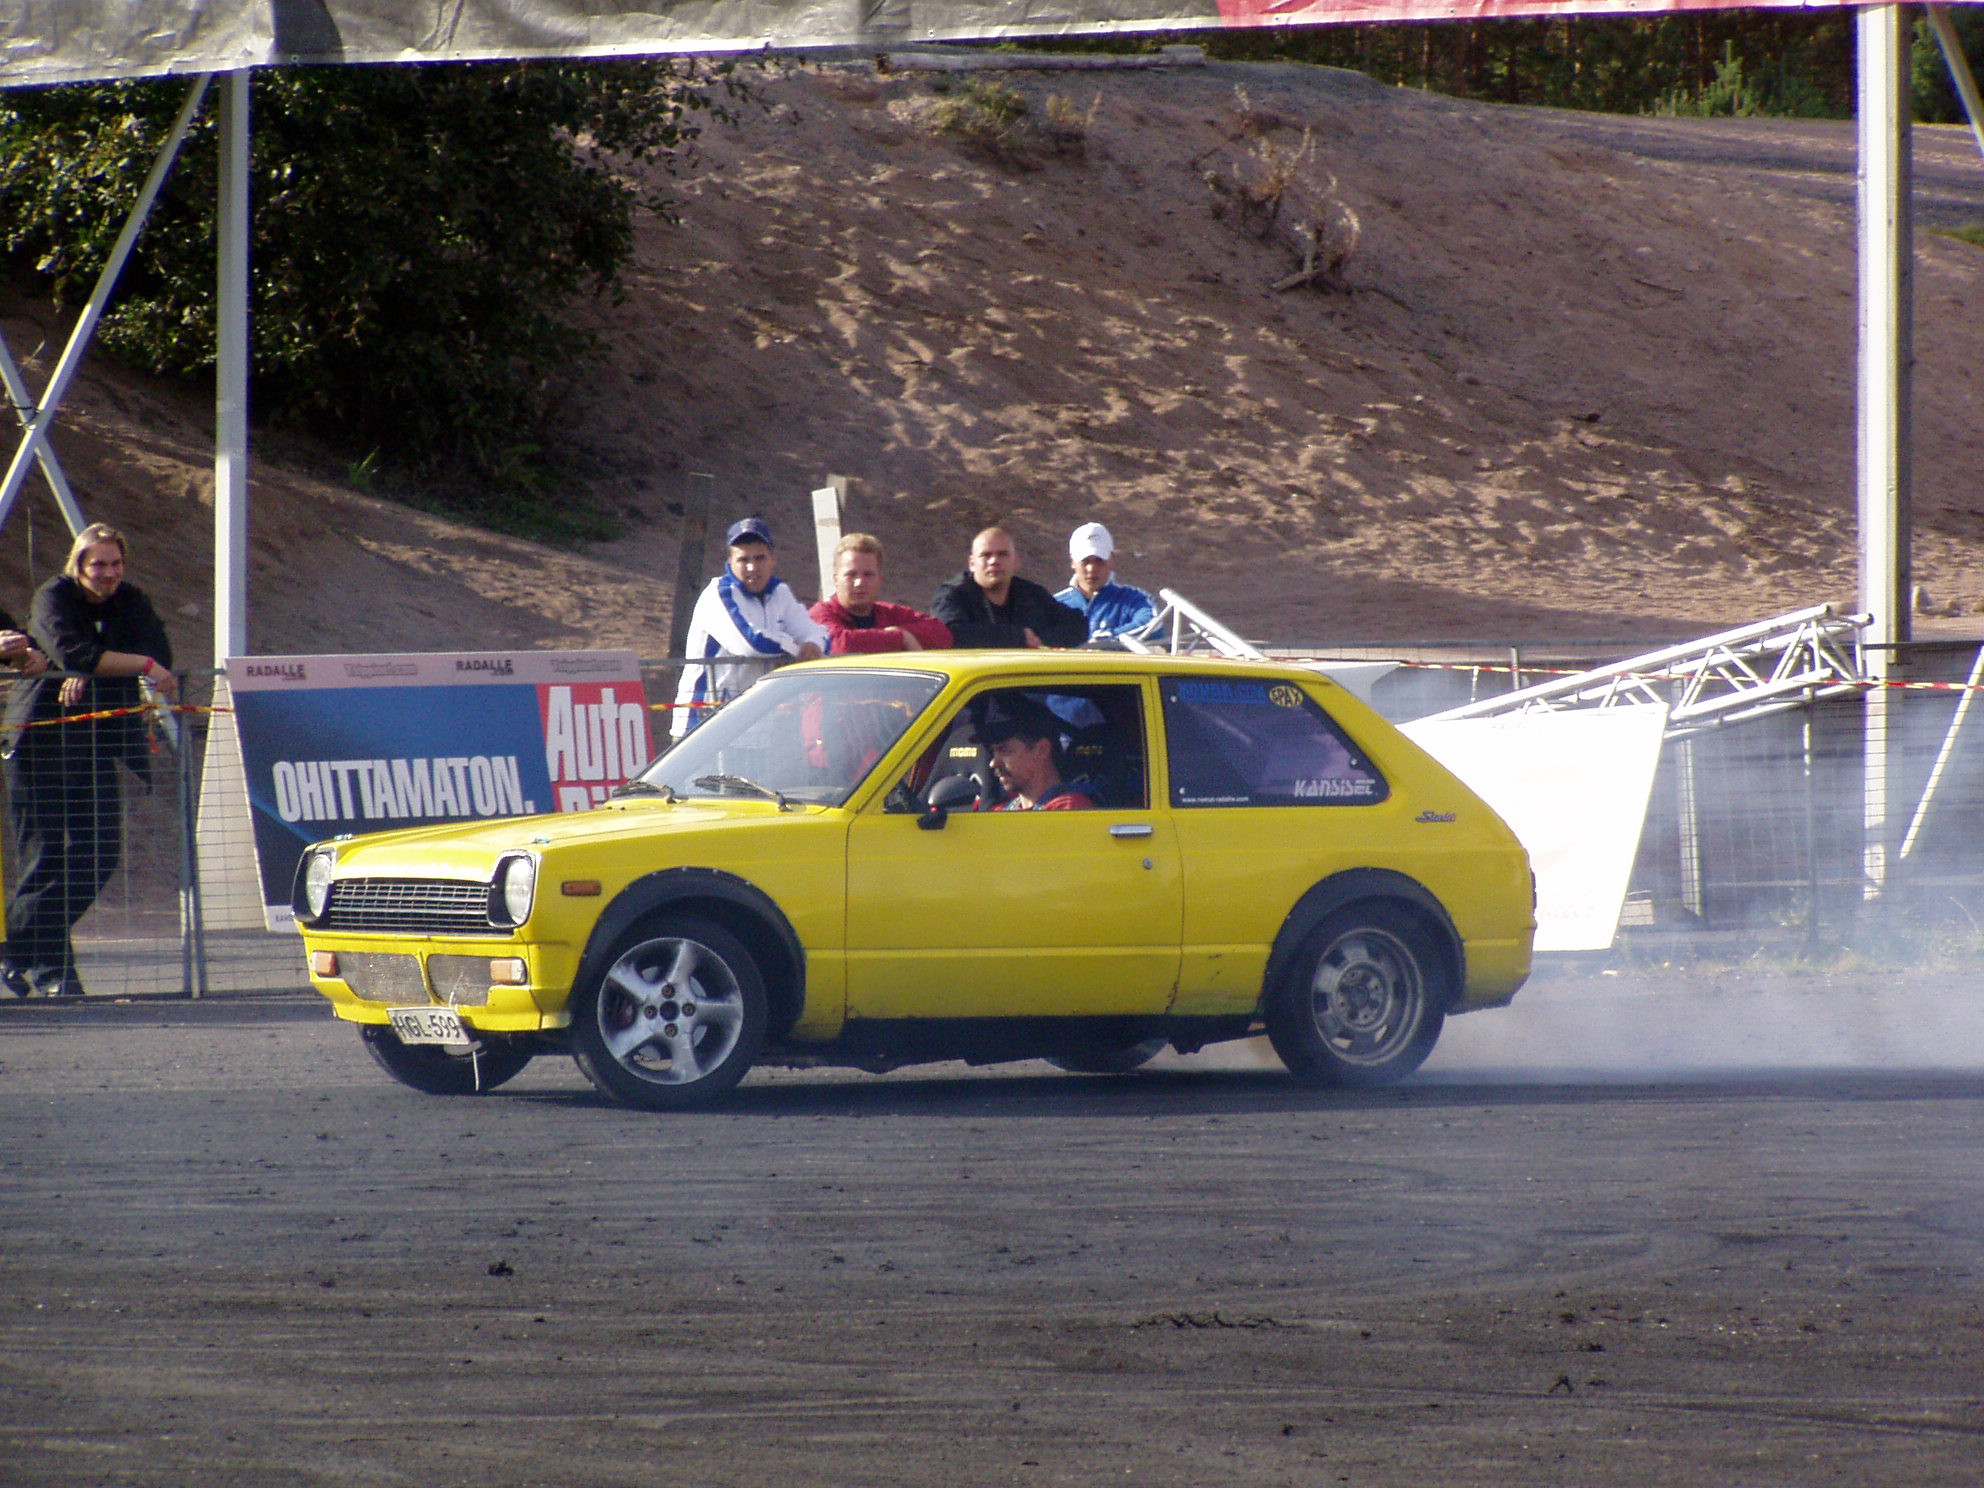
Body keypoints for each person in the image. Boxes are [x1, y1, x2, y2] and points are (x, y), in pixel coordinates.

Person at [2, 523, 174, 999]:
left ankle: (17, 949)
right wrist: (123, 664)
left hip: (94, 737)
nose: (108, 573)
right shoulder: (52, 596)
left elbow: (161, 652)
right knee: (46, 857)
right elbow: (76, 652)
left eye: (116, 563)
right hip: (38, 737)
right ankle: (55, 973)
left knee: (99, 852)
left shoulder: (132, 600)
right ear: (78, 565)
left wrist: (93, 668)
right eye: (98, 564)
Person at [672, 517, 829, 738]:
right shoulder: (718, 592)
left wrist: (812, 643)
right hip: (702, 725)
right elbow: (751, 643)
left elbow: (815, 632)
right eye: (743, 559)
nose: (752, 567)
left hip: (754, 725)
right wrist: (797, 649)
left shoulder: (779, 592)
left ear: (772, 559)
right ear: (730, 561)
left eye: (759, 558)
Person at [930, 526, 1089, 650]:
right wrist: (1018, 638)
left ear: (1015, 561)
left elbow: (1077, 625)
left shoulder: (1031, 595)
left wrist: (1038, 640)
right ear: (972, 563)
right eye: (986, 555)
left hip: (1023, 686)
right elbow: (949, 634)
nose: (994, 561)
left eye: (1002, 554)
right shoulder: (953, 595)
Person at [809, 533, 952, 654]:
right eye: (850, 575)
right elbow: (840, 644)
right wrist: (900, 638)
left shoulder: (889, 613)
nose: (859, 583)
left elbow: (941, 634)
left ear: (880, 579)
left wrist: (898, 631)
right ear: (836, 580)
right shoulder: (820, 614)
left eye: (868, 575)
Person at [971, 694, 1098, 812]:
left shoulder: (1069, 809)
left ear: (1041, 750)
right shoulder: (1001, 810)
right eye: (993, 752)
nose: (993, 763)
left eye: (1004, 750)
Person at [1055, 521, 1156, 641]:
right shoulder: (1054, 604)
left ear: (1111, 559)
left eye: (1099, 561)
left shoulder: (1135, 599)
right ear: (1073, 561)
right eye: (1085, 561)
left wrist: (1108, 638)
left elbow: (1152, 624)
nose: (1091, 569)